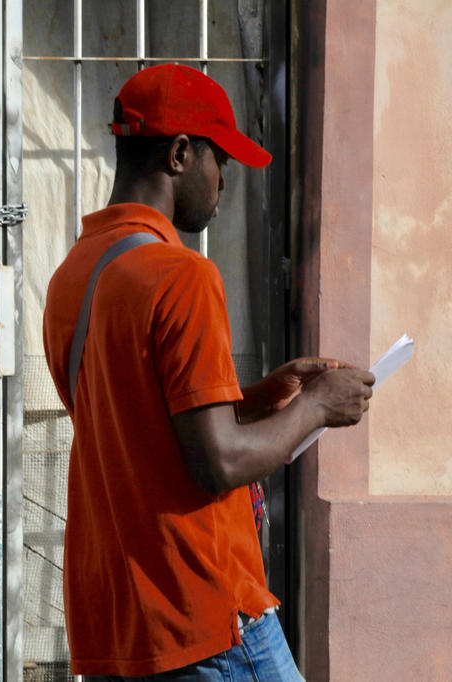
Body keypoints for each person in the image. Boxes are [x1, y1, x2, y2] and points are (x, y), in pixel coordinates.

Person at [42, 64, 375, 680]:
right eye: (220, 159)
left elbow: (142, 427)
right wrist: (317, 406)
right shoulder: (183, 276)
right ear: (179, 154)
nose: (224, 179)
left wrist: (256, 400)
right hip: (205, 612)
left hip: (121, 619)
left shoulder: (73, 276)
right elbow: (217, 461)